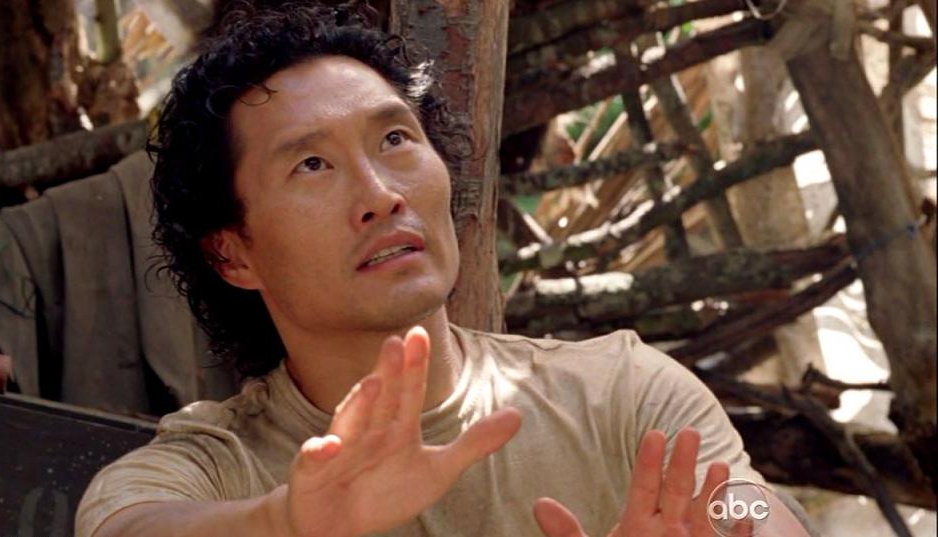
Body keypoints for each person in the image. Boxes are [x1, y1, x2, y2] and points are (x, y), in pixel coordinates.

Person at [75, 2, 813, 536]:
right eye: (312, 164)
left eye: (395, 138)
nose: (381, 194)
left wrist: (739, 523)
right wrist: (287, 522)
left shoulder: (620, 390)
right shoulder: (215, 466)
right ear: (232, 252)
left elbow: (745, 503)